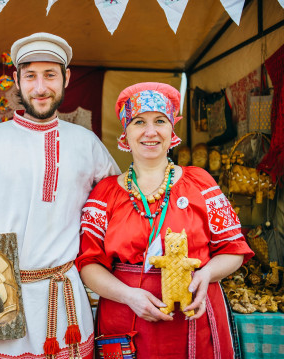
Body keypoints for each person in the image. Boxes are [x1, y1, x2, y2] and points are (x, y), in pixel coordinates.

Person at [0, 32, 119, 359]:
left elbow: (119, 211)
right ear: (16, 81)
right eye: (30, 76)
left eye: (50, 75)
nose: (41, 87)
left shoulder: (86, 143)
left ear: (66, 78)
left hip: (64, 304)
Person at [76, 82, 254, 359]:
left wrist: (205, 275)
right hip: (127, 318)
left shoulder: (200, 183)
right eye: (138, 122)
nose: (150, 132)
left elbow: (234, 250)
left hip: (194, 320)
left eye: (160, 121)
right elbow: (89, 264)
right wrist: (129, 296)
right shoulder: (105, 193)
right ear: (125, 132)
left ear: (172, 130)